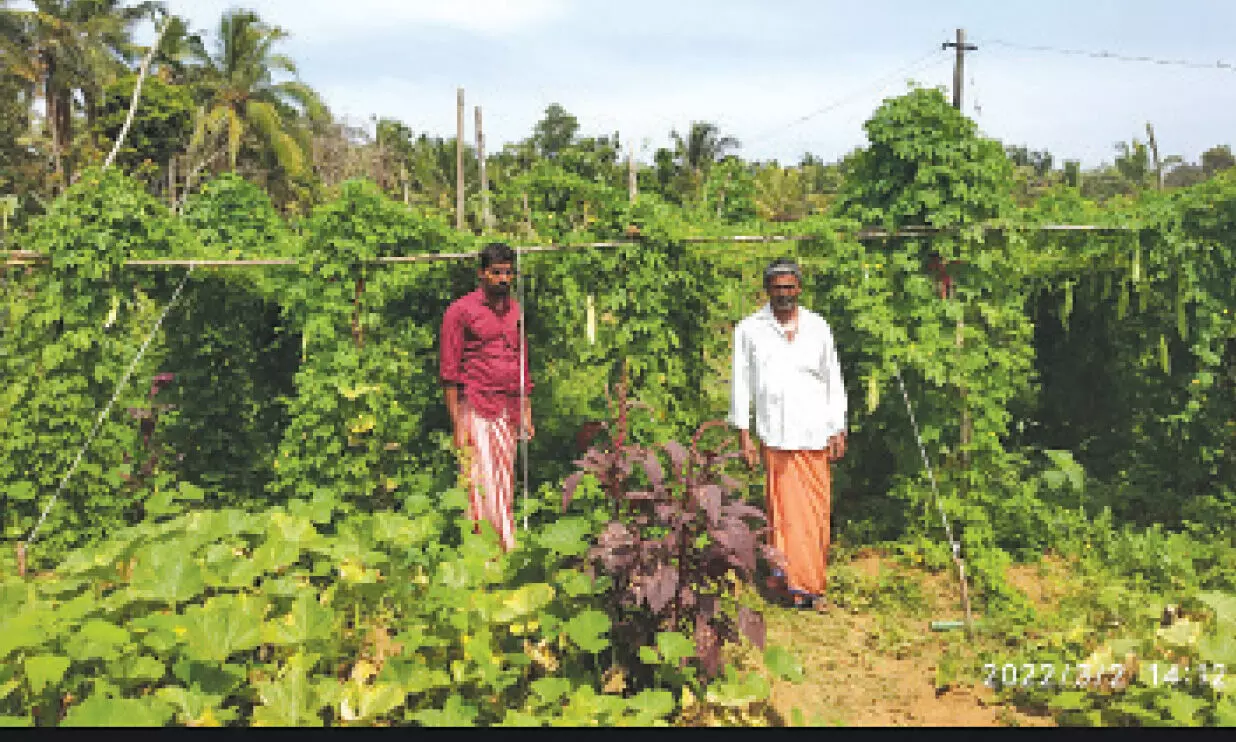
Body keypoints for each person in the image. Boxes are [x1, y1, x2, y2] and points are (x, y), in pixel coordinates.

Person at [729, 258, 847, 611]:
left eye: (789, 287)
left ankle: (813, 583)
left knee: (815, 514)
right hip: (777, 435)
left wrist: (838, 425)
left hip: (815, 433)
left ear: (799, 289)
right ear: (767, 290)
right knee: (785, 515)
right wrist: (743, 433)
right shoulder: (749, 329)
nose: (784, 294)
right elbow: (741, 384)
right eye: (777, 288)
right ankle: (793, 586)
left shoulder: (818, 327)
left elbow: (833, 379)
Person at [440, 242, 534, 552]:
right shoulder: (460, 311)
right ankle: (492, 552)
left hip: (507, 409)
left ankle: (502, 550)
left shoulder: (515, 311)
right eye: (496, 273)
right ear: (482, 274)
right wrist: (456, 425)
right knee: (481, 484)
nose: (503, 279)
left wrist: (526, 411)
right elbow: (449, 372)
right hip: (476, 408)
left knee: (505, 482)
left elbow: (522, 362)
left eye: (508, 273)